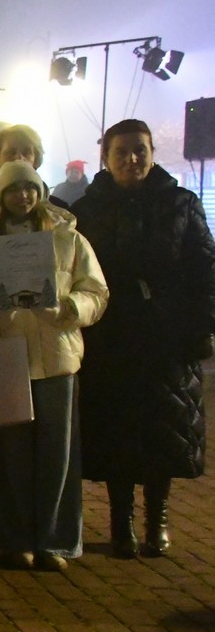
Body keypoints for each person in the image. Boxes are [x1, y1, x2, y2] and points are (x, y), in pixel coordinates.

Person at [72, 119, 215, 559]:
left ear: (152, 153)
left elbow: (204, 269)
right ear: (106, 157)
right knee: (116, 431)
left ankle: (158, 518)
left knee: (163, 430)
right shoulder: (88, 208)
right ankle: (121, 522)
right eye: (122, 152)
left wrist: (200, 329)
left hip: (166, 338)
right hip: (111, 337)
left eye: (140, 150)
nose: (132, 159)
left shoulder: (181, 203)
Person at [0, 162, 108, 571]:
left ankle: (55, 540)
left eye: (30, 188)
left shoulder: (69, 239)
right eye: (14, 190)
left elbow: (96, 291)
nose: (23, 197)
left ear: (40, 190)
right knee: (11, 455)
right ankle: (14, 538)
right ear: (1, 196)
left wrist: (66, 309)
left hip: (58, 356)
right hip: (9, 358)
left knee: (57, 454)